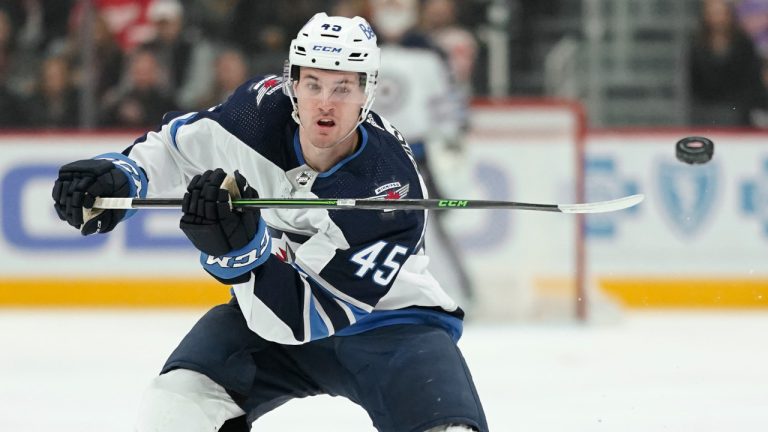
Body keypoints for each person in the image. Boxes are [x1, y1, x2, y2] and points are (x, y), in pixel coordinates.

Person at [51, 12, 487, 432]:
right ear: (291, 82)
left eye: (343, 88)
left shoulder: (390, 188)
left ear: (368, 93)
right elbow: (173, 148)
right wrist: (123, 176)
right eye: (312, 83)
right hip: (270, 312)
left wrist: (241, 255)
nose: (325, 103)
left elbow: (307, 317)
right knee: (177, 407)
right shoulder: (256, 113)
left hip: (392, 326)